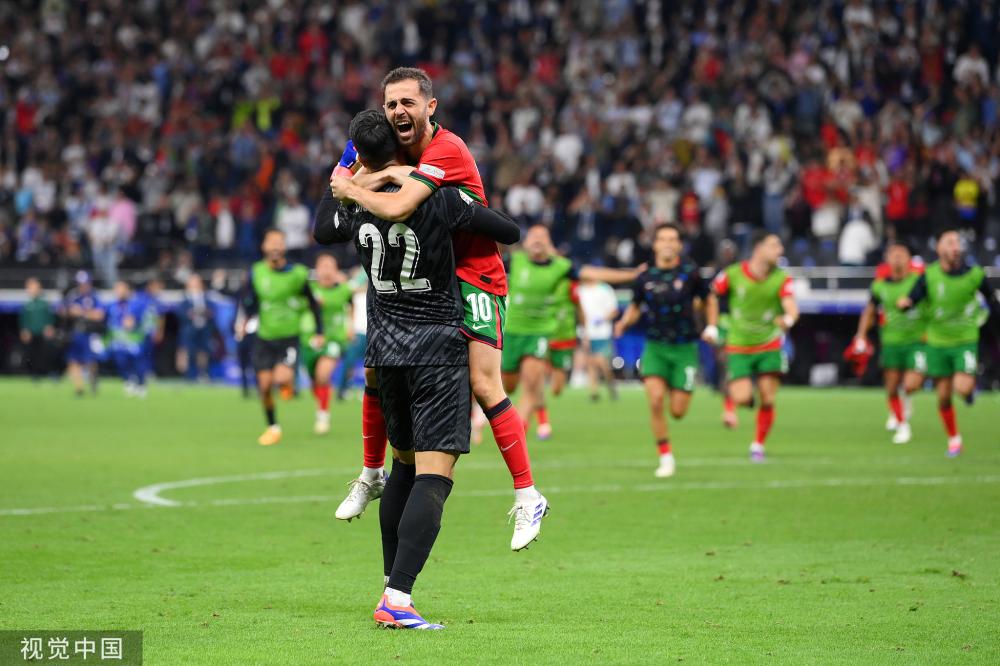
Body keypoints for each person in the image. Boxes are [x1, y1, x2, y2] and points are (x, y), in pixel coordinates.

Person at [314, 108, 522, 630]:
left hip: (385, 353)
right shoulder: (442, 198)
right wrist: (410, 176)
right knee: (433, 476)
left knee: (402, 469)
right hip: (436, 350)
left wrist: (350, 174)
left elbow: (322, 227)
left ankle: (389, 584)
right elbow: (506, 229)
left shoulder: (356, 208)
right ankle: (398, 599)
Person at [329, 67, 546, 551]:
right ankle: (370, 472)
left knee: (484, 383)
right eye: (391, 104)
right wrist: (359, 166)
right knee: (374, 377)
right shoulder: (394, 147)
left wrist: (358, 186)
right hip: (422, 286)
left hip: (473, 277)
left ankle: (528, 494)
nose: (399, 112)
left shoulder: (447, 147)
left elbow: (399, 205)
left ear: (431, 106)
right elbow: (344, 177)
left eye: (408, 102)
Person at [503, 225, 638, 440]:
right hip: (511, 333)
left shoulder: (563, 268)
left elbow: (594, 273)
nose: (538, 240)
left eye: (543, 237)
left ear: (550, 244)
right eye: (533, 236)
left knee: (534, 383)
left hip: (543, 334)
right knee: (509, 386)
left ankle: (520, 433)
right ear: (525, 242)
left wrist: (632, 274)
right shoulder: (513, 262)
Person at [614, 224, 710, 478]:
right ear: (655, 244)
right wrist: (624, 323)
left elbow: (709, 298)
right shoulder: (645, 277)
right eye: (663, 239)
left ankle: (676, 386)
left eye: (673, 239)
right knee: (655, 401)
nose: (668, 243)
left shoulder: (691, 273)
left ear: (679, 245)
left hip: (685, 348)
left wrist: (711, 325)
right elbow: (636, 306)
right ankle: (666, 457)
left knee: (677, 411)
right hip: (655, 346)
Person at [897, 229, 1000, 456]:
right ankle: (954, 439)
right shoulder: (930, 275)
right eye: (950, 243)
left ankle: (969, 391)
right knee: (943, 396)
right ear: (939, 249)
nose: (955, 247)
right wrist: (906, 302)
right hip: (937, 342)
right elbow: (915, 296)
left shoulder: (974, 275)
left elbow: (992, 300)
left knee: (961, 387)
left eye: (957, 243)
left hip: (965, 340)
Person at [704, 232, 799, 462]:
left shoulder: (781, 278)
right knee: (744, 397)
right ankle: (731, 404)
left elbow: (791, 307)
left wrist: (787, 320)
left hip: (769, 344)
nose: (780, 251)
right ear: (758, 248)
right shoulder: (733, 274)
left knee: (768, 397)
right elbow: (711, 295)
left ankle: (757, 445)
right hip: (739, 344)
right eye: (774, 245)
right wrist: (712, 325)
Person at [238, 229, 324, 446]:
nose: (275, 246)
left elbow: (313, 304)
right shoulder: (256, 272)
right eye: (271, 242)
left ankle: (288, 383)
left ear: (284, 247)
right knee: (265, 387)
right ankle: (273, 428)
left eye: (279, 242)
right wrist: (244, 321)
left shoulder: (297, 274)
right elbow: (250, 301)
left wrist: (319, 331)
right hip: (264, 337)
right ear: (264, 247)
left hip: (289, 338)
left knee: (281, 378)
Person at [852, 243, 927, 444]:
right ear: (887, 259)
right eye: (893, 254)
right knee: (892, 387)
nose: (897, 258)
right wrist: (861, 335)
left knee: (912, 384)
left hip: (916, 341)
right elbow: (869, 311)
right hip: (891, 343)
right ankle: (902, 425)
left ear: (909, 258)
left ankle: (906, 400)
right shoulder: (879, 286)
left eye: (902, 254)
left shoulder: (919, 282)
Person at [300, 253, 353, 434]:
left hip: (334, 339)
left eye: (330, 266)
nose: (327, 270)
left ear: (336, 270)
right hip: (310, 339)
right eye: (323, 266)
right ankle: (322, 404)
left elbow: (350, 305)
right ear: (317, 270)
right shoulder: (310, 290)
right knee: (315, 380)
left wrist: (350, 327)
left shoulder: (344, 290)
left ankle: (323, 415)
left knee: (323, 375)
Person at [61, 271, 105, 397]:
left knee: (90, 361)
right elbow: (63, 311)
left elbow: (100, 315)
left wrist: (82, 312)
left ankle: (93, 382)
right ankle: (79, 388)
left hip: (89, 333)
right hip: (75, 332)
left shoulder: (94, 296)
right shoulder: (72, 296)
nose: (83, 286)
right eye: (81, 283)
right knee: (72, 361)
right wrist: (69, 312)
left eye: (85, 283)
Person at [578, 278, 620, 402]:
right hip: (586, 333)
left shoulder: (605, 289)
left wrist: (602, 319)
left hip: (602, 333)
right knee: (590, 363)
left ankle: (611, 387)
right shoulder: (581, 290)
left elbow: (614, 310)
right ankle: (594, 392)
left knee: (602, 363)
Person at [106, 280, 147, 397]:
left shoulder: (136, 303)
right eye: (116, 289)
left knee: (137, 361)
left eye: (120, 289)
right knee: (121, 360)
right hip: (119, 339)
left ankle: (141, 384)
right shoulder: (113, 305)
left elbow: (138, 319)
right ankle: (128, 381)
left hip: (134, 338)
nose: (118, 292)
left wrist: (132, 322)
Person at [177, 274, 215, 382]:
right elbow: (181, 314)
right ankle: (189, 375)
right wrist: (190, 313)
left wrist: (205, 313)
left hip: (204, 329)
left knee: (203, 352)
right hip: (189, 329)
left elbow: (212, 312)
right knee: (188, 352)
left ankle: (203, 374)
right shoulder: (185, 298)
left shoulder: (206, 297)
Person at [19, 277, 54, 379]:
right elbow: (24, 319)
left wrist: (49, 327)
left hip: (42, 333)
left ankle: (46, 372)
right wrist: (24, 330)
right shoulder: (27, 304)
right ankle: (33, 374)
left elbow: (49, 317)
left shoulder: (44, 303)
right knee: (31, 354)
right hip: (31, 333)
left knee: (43, 353)